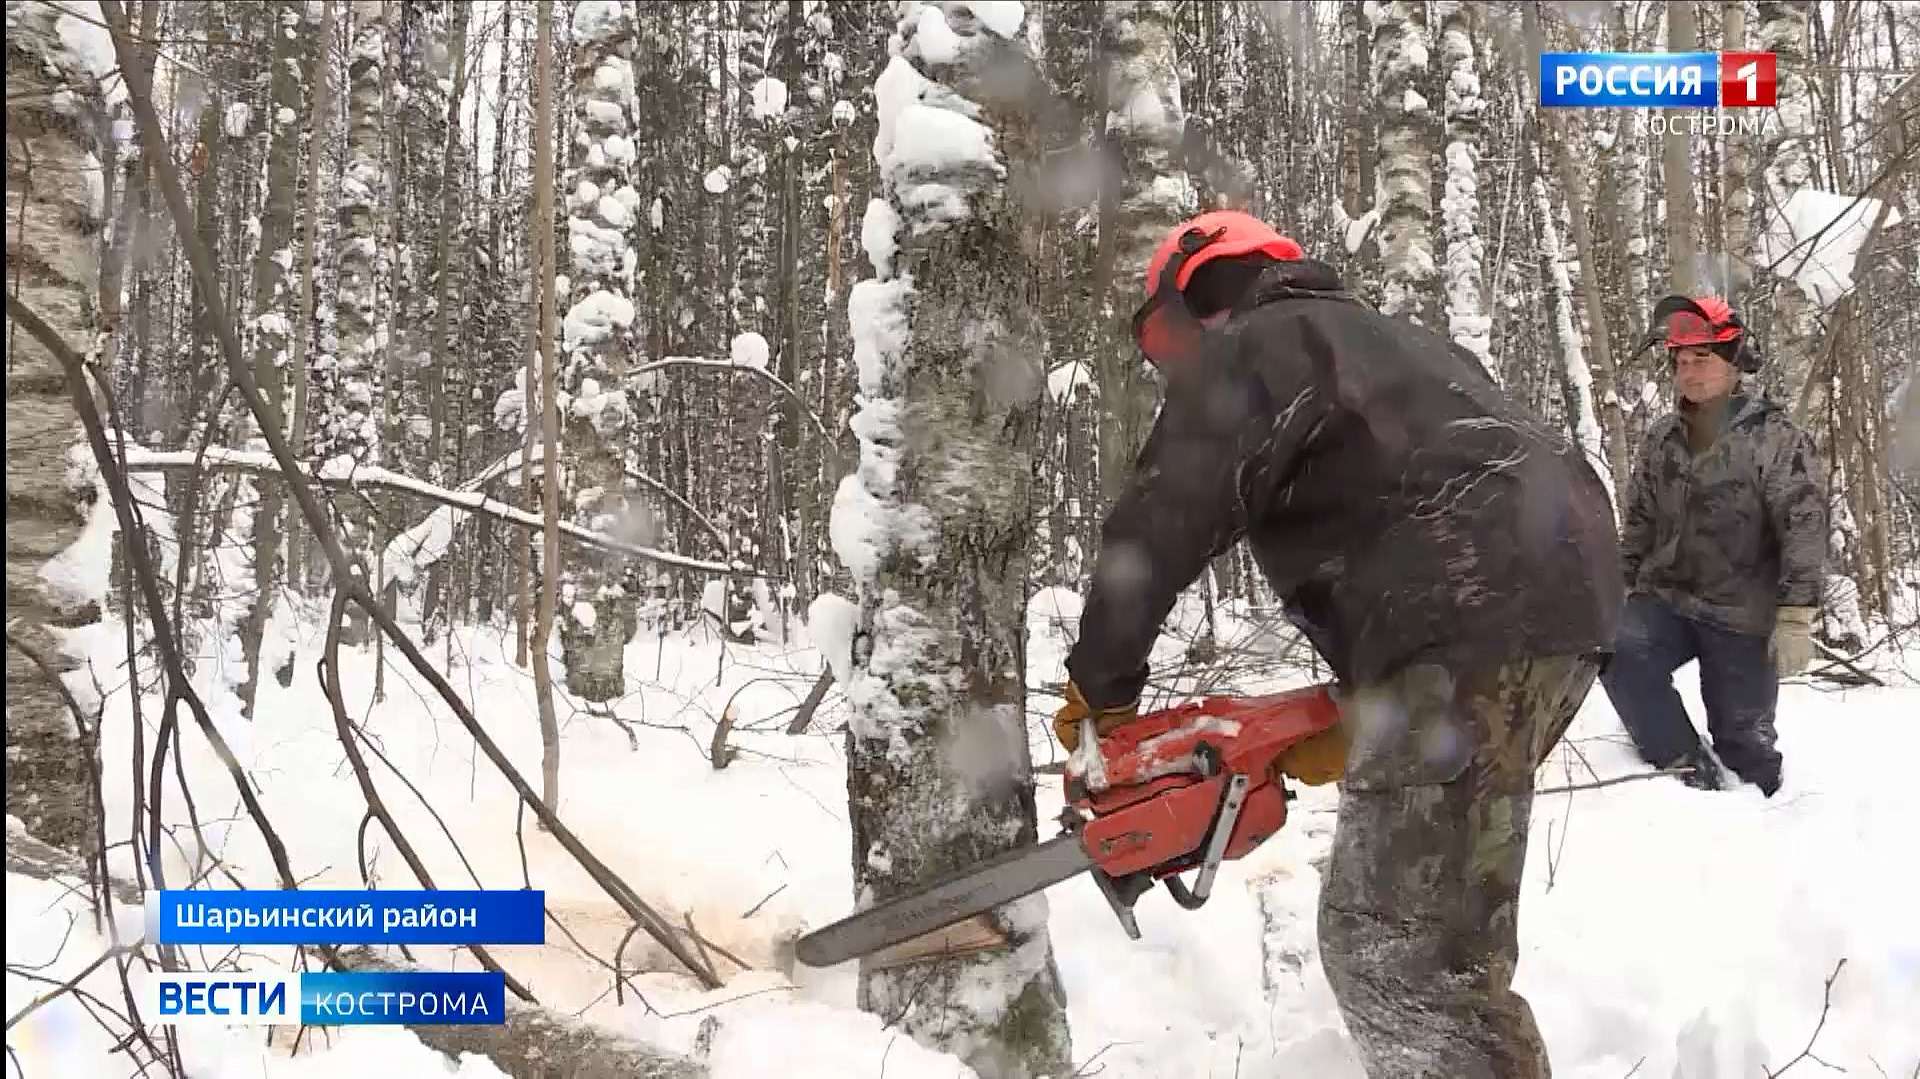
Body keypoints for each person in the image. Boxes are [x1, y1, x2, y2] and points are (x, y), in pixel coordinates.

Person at [1050, 210, 1623, 1077]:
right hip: (1570, 606)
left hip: (1460, 614)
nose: (1171, 368)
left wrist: (1103, 690)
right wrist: (1367, 708)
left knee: (1400, 954)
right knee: (1440, 933)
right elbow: (1423, 497)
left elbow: (1159, 525)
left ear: (1205, 291)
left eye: (1166, 338)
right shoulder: (1393, 343)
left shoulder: (1258, 345)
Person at [1600, 295, 1827, 795]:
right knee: (1617, 650)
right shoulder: (1662, 438)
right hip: (1668, 601)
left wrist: (1795, 616)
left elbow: (1805, 524)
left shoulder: (1777, 438)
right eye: (1680, 361)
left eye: (1702, 359)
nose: (1688, 371)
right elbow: (1638, 520)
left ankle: (1764, 821)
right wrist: (1621, 585)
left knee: (1745, 749)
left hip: (1742, 614)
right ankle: (1686, 773)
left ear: (1735, 363)